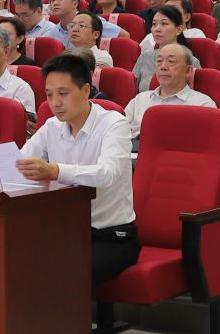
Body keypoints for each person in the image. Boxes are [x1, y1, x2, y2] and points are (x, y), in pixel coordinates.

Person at [16, 54, 137, 283]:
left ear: (85, 90)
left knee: (62, 272)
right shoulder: (51, 126)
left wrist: (55, 171)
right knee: (10, 260)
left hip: (111, 236)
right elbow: (20, 162)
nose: (55, 103)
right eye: (49, 95)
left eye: (63, 93)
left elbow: (107, 174)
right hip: (63, 231)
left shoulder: (114, 124)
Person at [127, 42, 216, 140]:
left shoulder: (202, 105)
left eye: (171, 61)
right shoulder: (139, 100)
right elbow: (121, 132)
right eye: (159, 61)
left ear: (188, 71)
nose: (163, 67)